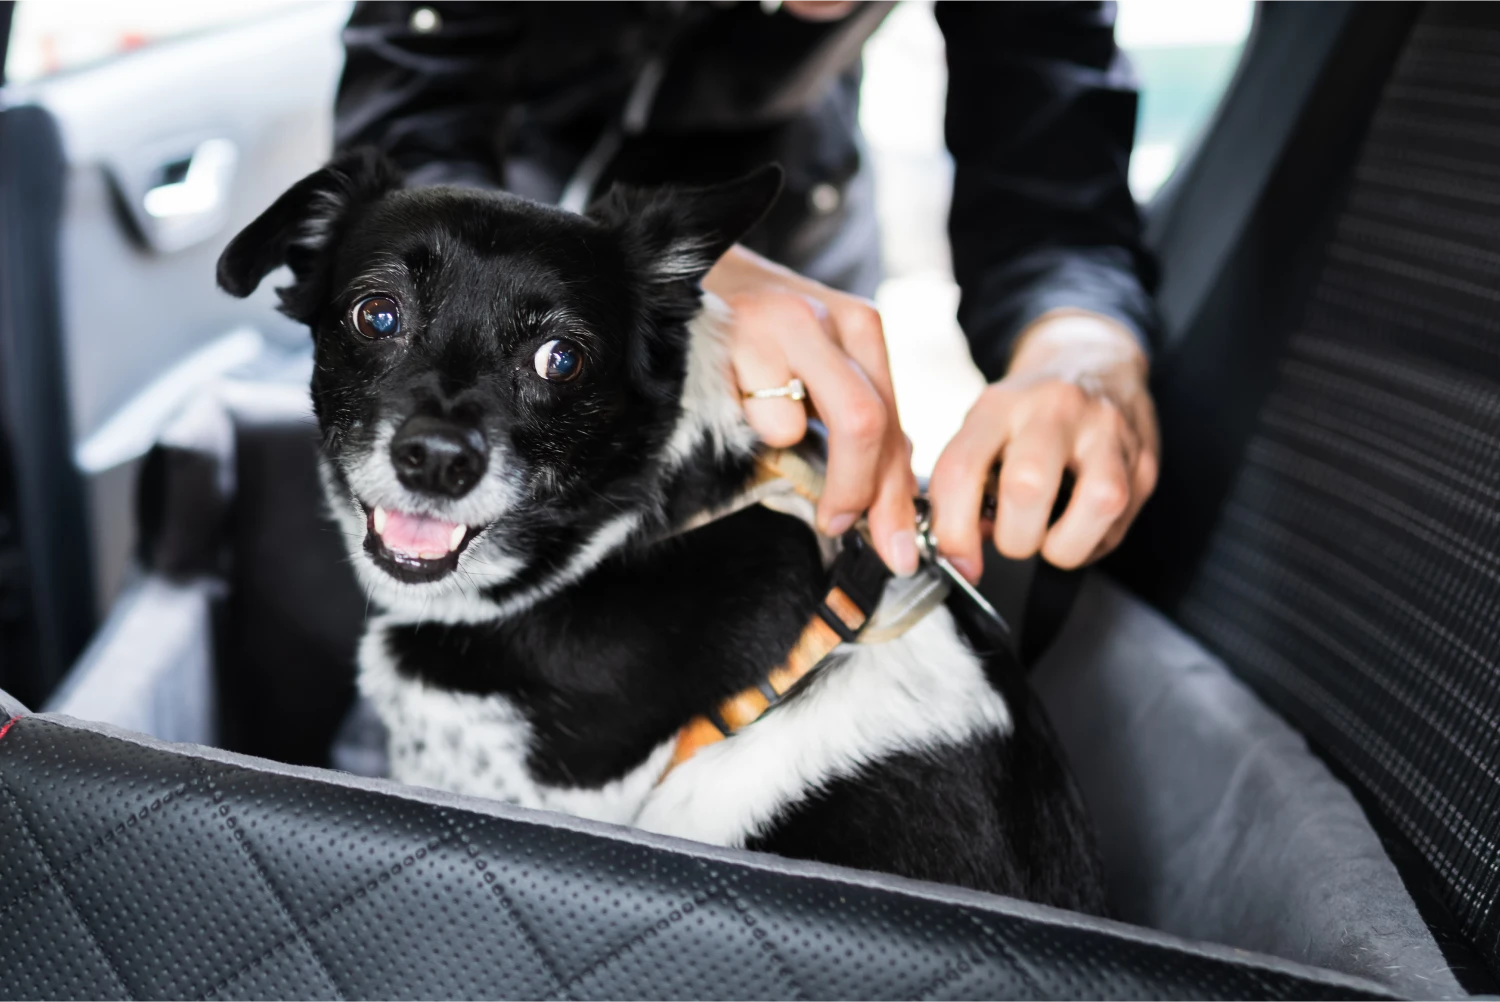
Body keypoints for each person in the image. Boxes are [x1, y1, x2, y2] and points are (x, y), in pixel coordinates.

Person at [335, 0, 1160, 582]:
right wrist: (617, 279)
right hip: (506, 186)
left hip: (794, 212)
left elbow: (1054, 185)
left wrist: (1081, 349)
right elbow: (411, 123)